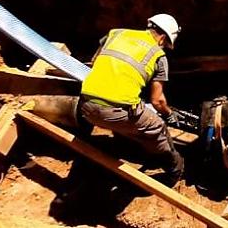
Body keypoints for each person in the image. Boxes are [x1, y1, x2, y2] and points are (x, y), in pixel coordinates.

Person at [79, 14, 184, 185]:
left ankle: (125, 143)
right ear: (163, 38)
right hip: (115, 113)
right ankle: (175, 170)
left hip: (86, 106)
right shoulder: (159, 55)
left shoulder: (116, 34)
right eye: (165, 44)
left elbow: (94, 61)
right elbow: (158, 101)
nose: (164, 47)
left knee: (127, 114)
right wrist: (169, 114)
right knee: (158, 129)